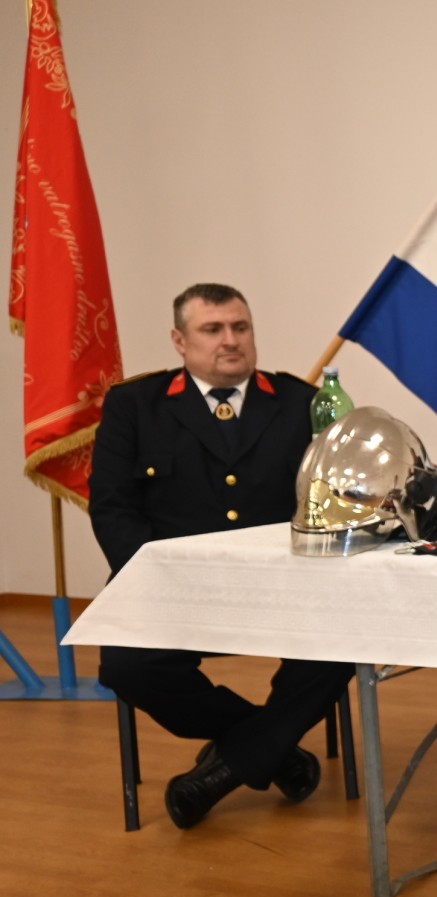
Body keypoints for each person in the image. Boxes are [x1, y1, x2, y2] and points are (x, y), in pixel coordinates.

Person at [89, 283, 355, 830]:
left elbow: (332, 504)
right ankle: (269, 747)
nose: (230, 340)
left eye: (240, 327)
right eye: (213, 329)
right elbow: (113, 509)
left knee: (341, 642)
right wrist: (159, 580)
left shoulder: (300, 403)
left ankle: (225, 769)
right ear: (179, 341)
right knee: (127, 665)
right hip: (172, 589)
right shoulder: (135, 406)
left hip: (281, 588)